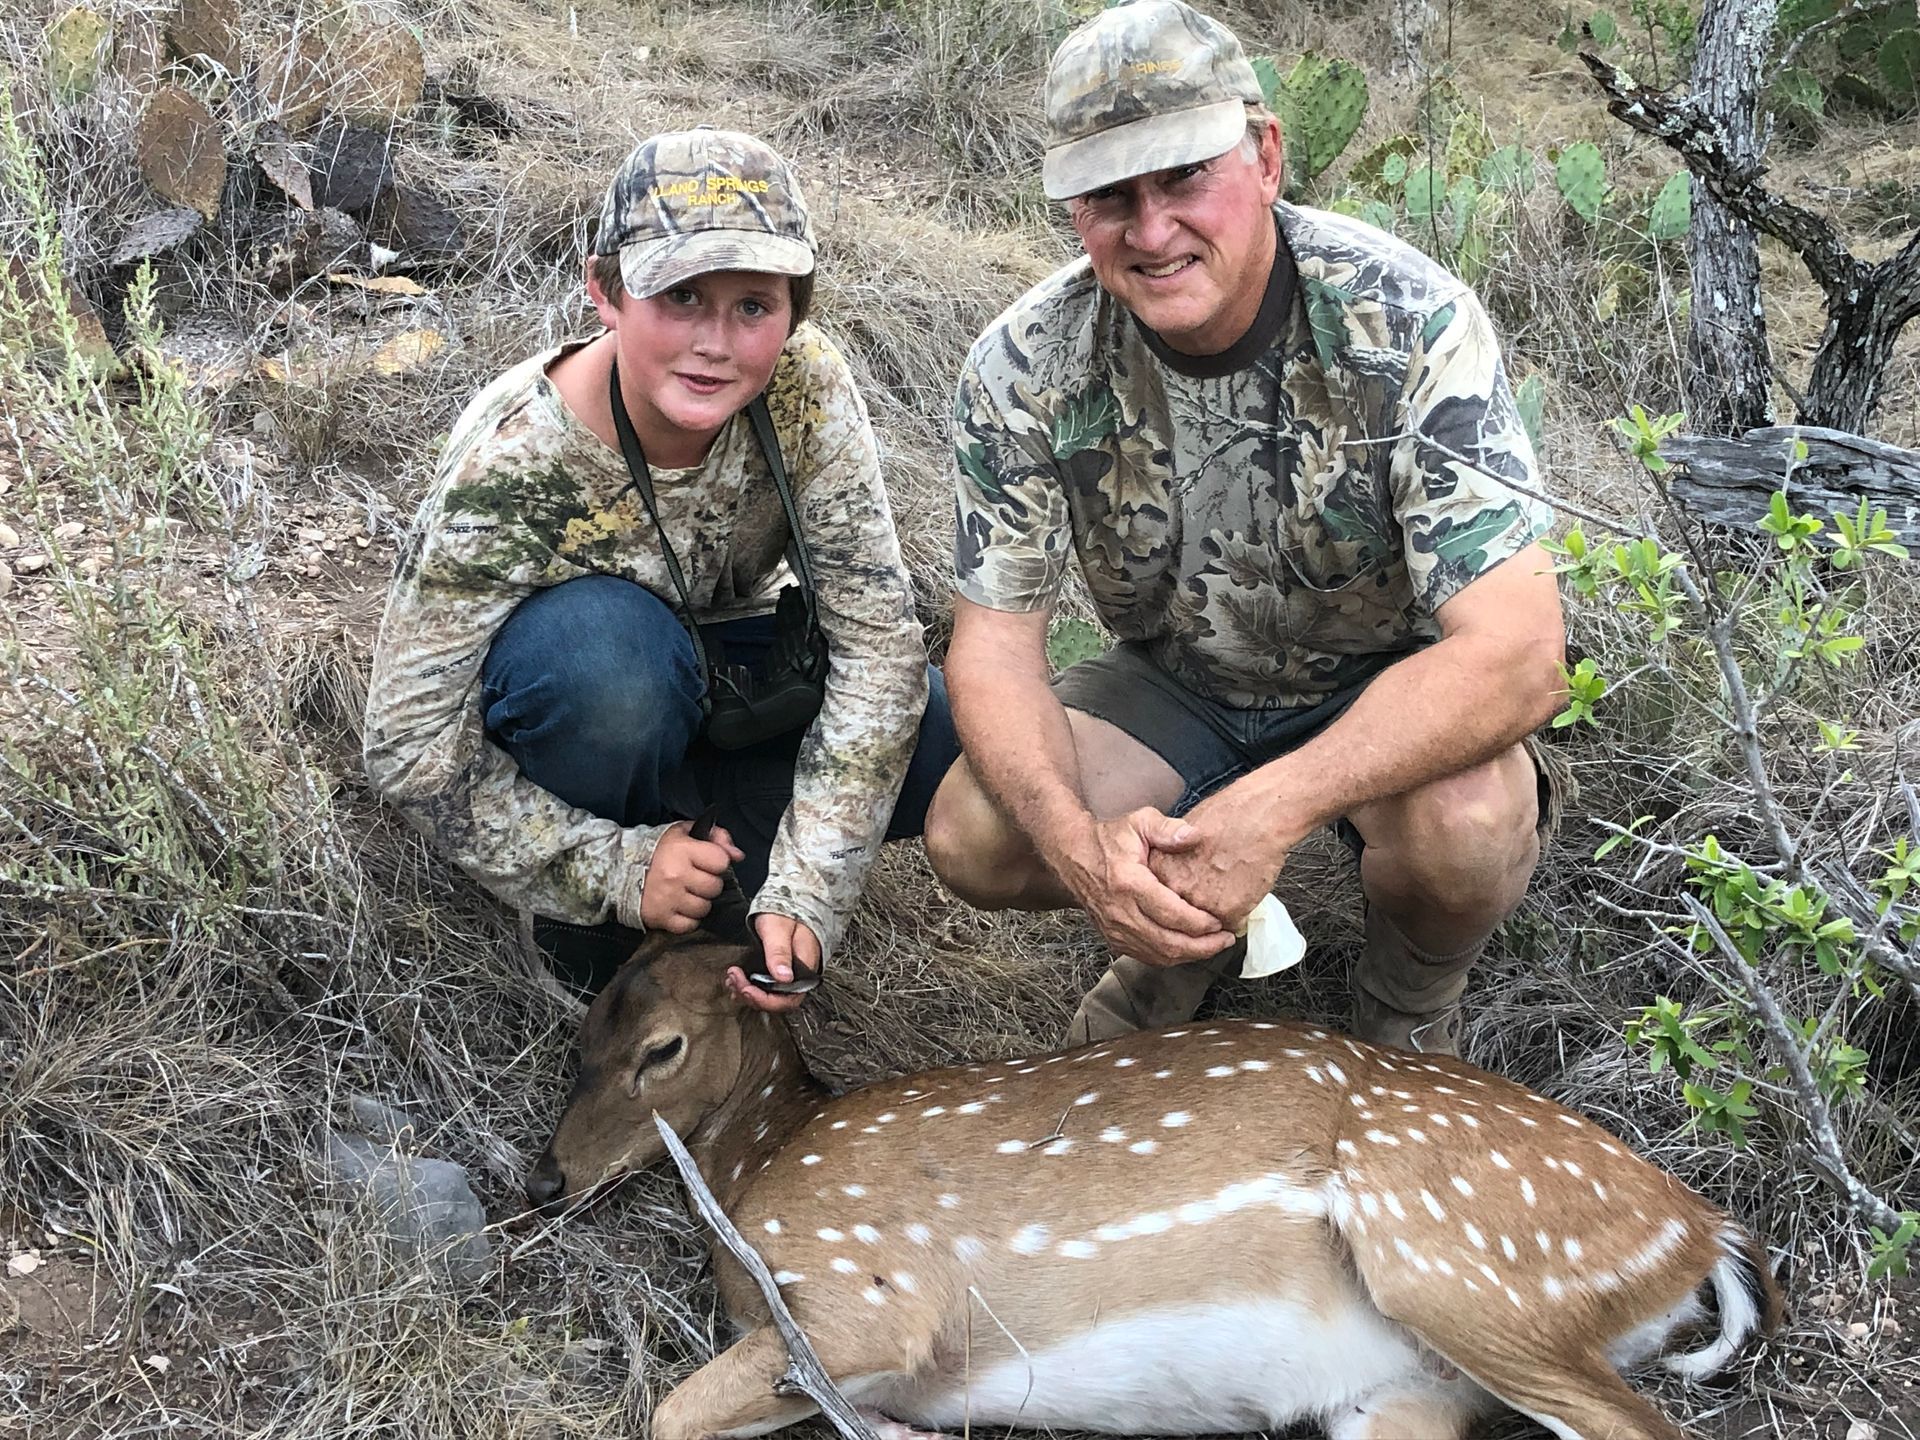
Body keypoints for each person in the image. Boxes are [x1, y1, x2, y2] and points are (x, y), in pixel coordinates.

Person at [922, 0, 1568, 1057]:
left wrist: (1270, 813)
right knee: (978, 835)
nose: (1152, 228)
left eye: (1184, 177)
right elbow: (993, 652)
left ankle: (1407, 1008)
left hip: (1383, 678)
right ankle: (1174, 939)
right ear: (1073, 211)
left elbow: (1520, 657)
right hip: (1177, 684)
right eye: (1109, 196)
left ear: (1265, 157)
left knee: (1469, 829)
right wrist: (1084, 853)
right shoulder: (1023, 364)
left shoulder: (1408, 321)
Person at [364, 127, 956, 1010]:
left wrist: (810, 887)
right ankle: (597, 922)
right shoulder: (511, 465)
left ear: (797, 310)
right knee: (607, 665)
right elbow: (407, 746)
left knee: (944, 735)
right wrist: (612, 866)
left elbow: (876, 651)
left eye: (754, 306)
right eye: (680, 296)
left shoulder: (808, 391)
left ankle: (732, 882)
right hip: (601, 696)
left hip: (728, 671)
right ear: (606, 291)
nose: (716, 342)